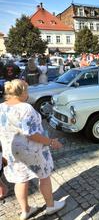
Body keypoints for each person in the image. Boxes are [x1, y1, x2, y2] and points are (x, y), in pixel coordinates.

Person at [0, 79, 66, 219]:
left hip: (12, 151)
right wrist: (51, 142)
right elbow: (31, 134)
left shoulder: (1, 107)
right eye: (27, 91)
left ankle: (25, 211)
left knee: (20, 179)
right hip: (32, 151)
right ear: (21, 92)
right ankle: (50, 205)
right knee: (44, 176)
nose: (28, 94)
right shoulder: (25, 108)